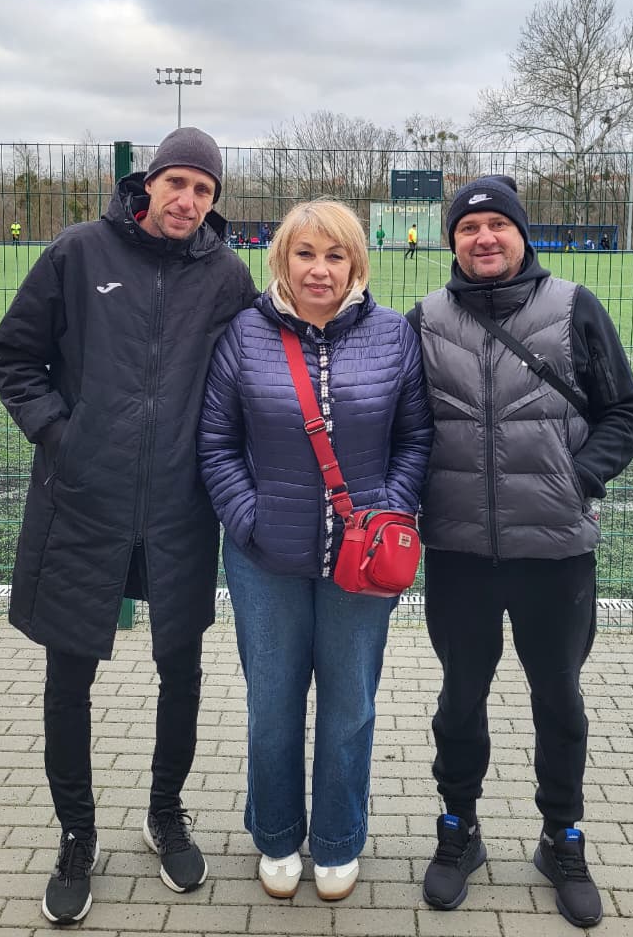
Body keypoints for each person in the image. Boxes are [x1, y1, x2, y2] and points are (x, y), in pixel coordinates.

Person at [0, 128, 257, 926]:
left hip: (179, 509)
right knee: (68, 679)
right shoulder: (79, 252)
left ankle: (164, 813)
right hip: (82, 502)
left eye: (204, 190)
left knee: (182, 670)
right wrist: (61, 435)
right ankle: (77, 835)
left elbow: (252, 374)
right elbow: (12, 354)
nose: (189, 200)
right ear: (148, 183)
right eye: (179, 183)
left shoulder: (227, 275)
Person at [408, 175, 633, 927]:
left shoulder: (575, 308)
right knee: (459, 700)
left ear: (520, 233)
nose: (484, 238)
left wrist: (579, 477)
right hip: (458, 554)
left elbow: (622, 411)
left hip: (556, 553)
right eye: (468, 228)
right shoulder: (425, 320)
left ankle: (561, 838)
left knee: (559, 700)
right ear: (452, 241)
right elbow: (405, 426)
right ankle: (458, 829)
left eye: (497, 226)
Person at [198, 200, 432, 903]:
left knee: (350, 706)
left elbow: (415, 438)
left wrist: (388, 512)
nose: (320, 270)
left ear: (357, 263)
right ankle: (275, 835)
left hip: (360, 565)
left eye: (335, 255)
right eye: (305, 254)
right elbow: (217, 442)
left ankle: (337, 841)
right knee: (272, 706)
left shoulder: (393, 335)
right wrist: (249, 520)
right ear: (282, 260)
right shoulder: (244, 335)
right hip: (264, 561)